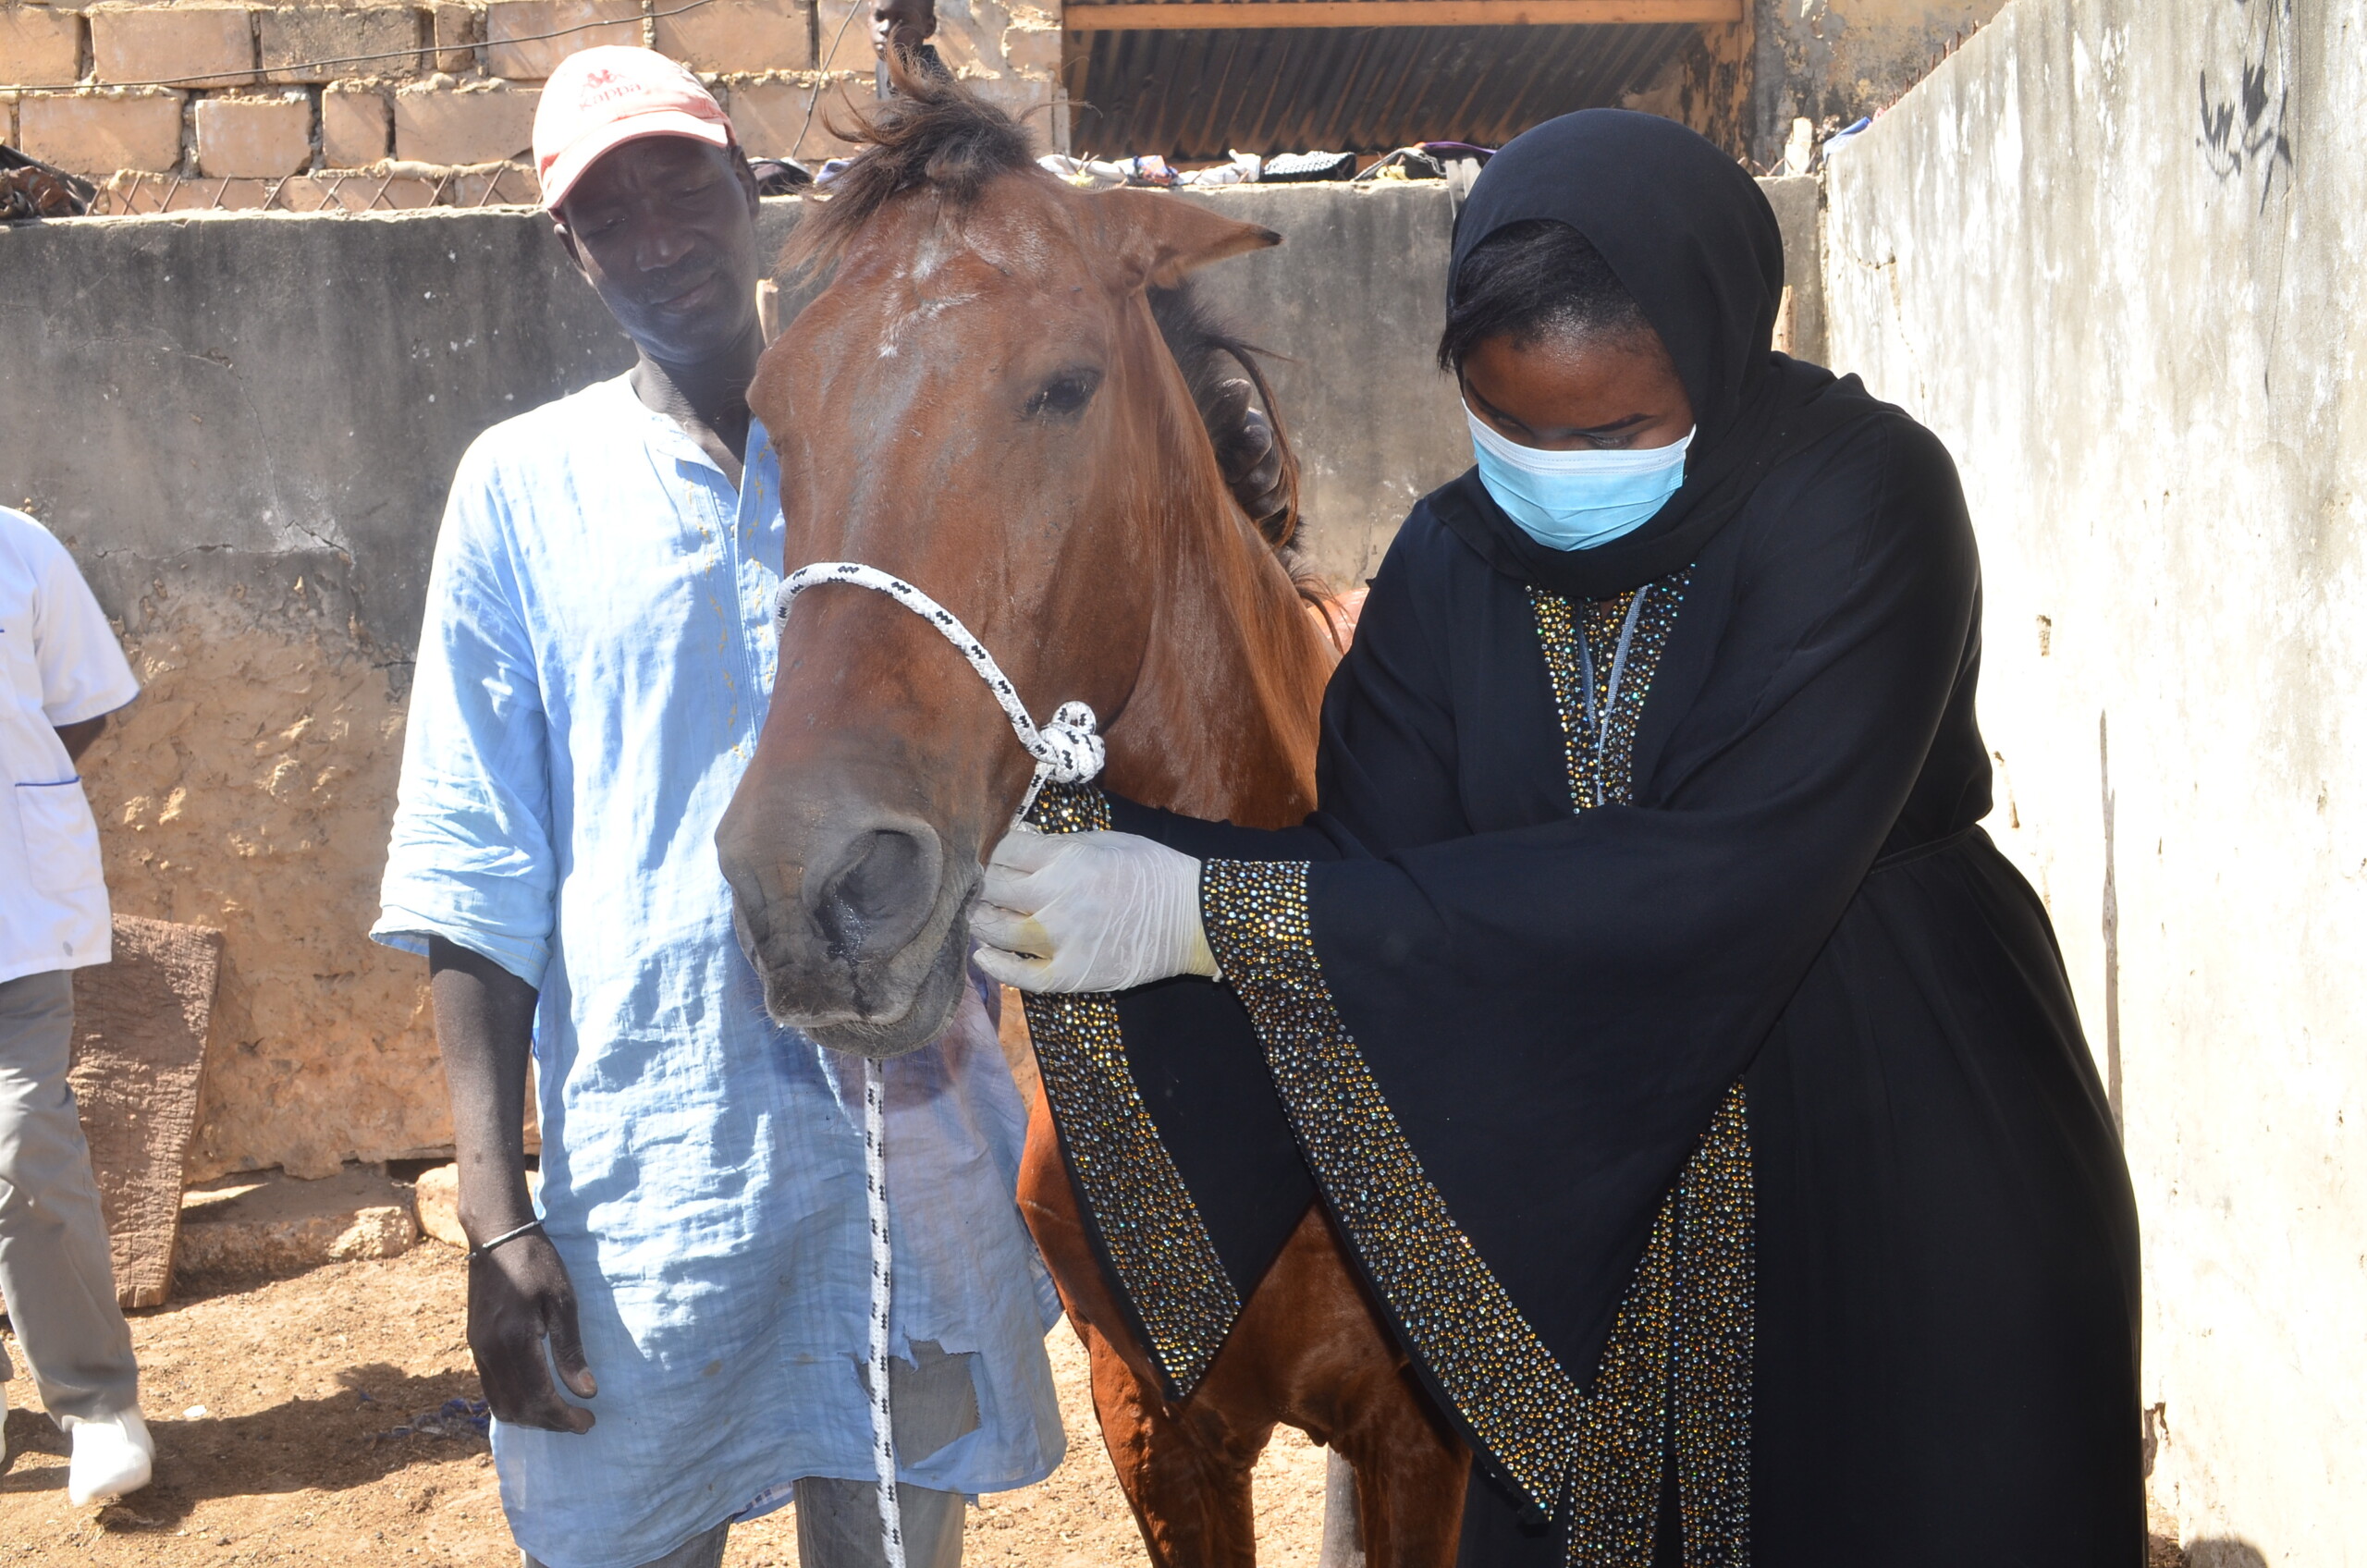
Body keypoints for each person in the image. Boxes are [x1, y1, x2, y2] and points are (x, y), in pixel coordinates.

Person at [973, 111, 2143, 1566]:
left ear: (1720, 356)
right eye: (1506, 421)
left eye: (1615, 433)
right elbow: (1376, 878)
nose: (1553, 467)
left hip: (1889, 1125)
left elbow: (1725, 874)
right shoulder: (1450, 559)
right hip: (1577, 1180)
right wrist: (1111, 869)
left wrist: (1216, 913)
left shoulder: (1866, 497)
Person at [372, 47, 1062, 1568]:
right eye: (607, 215)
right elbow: (476, 863)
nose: (658, 238)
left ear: (747, 185)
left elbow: (1022, 745)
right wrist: (495, 1218)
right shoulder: (522, 491)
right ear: (568, 247)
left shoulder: (900, 445)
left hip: (906, 1166)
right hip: (660, 1184)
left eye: (680, 186)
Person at [0, 506, 152, 1507]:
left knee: (24, 1137)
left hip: (12, 907)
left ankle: (97, 1402)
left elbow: (83, 705)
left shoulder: (18, 547)